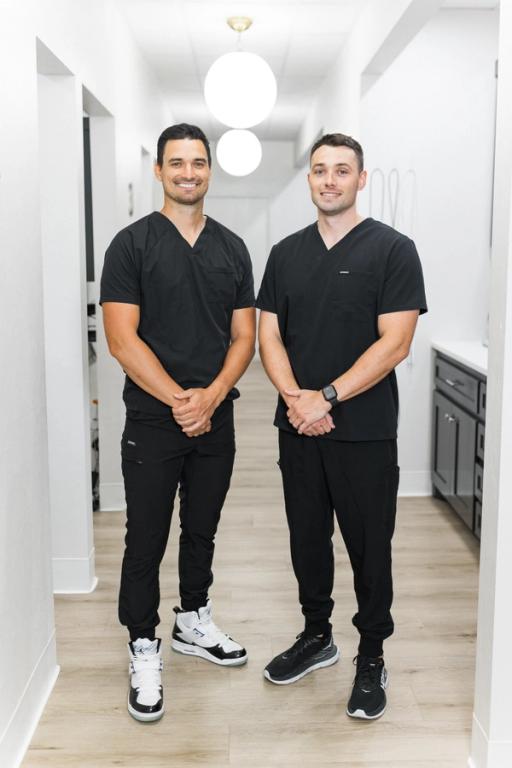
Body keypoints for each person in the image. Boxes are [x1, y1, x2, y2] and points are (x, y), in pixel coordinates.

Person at [256, 133, 427, 719]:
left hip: (364, 432)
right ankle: (316, 636)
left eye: (342, 170)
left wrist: (325, 397)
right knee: (307, 539)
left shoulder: (393, 250)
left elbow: (396, 343)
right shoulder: (285, 253)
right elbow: (269, 335)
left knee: (368, 548)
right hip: (297, 428)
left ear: (361, 178)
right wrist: (296, 400)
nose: (330, 180)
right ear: (309, 179)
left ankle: (372, 653)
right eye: (320, 170)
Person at [100, 123, 256, 722]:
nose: (187, 172)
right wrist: (179, 401)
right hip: (153, 417)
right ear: (159, 171)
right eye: (176, 162)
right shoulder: (131, 245)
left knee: (202, 528)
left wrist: (212, 396)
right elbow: (121, 339)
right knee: (146, 538)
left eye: (198, 162)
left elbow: (244, 336)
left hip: (216, 416)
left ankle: (193, 619)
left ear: (210, 171)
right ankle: (144, 642)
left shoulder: (233, 249)